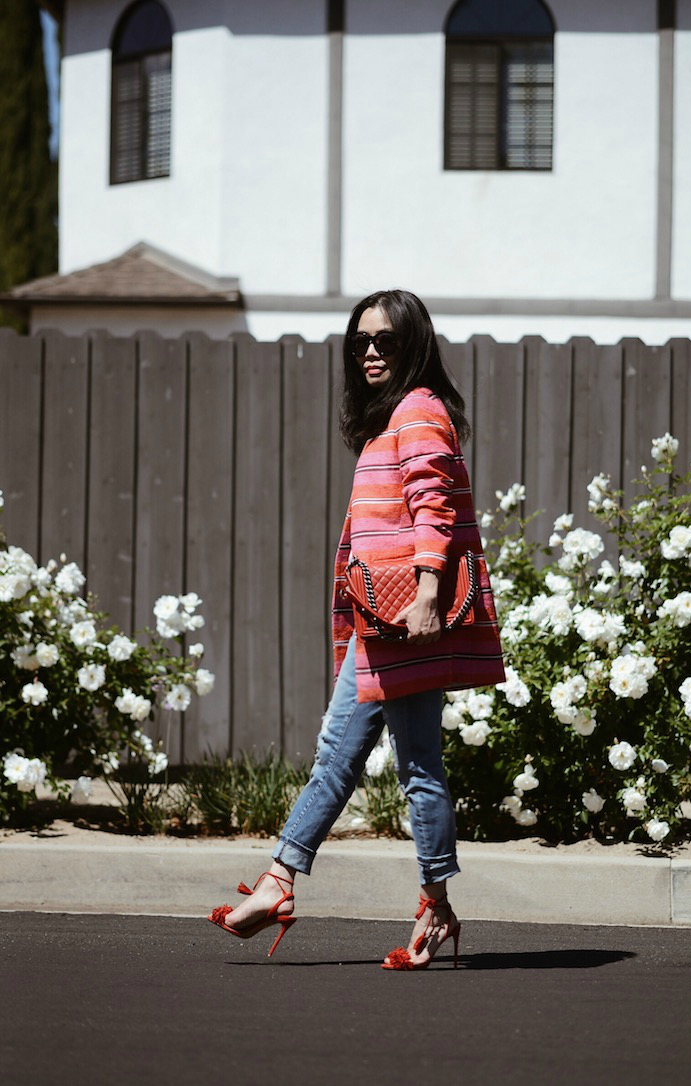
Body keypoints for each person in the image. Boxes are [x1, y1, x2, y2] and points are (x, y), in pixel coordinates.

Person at [208, 290, 505, 969]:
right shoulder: (388, 420)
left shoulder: (420, 411)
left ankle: (428, 907)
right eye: (360, 341)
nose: (370, 351)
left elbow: (433, 507)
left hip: (406, 622)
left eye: (386, 341)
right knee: (340, 760)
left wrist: (428, 592)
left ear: (415, 347)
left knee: (418, 770)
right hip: (381, 626)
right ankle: (283, 883)